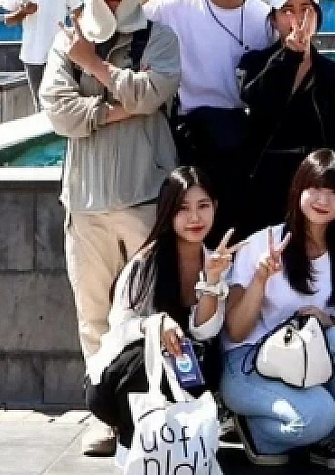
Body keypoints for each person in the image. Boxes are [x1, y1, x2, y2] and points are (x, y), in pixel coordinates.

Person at [39, 0, 182, 456]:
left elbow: (154, 93)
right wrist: (115, 107)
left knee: (153, 309)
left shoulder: (158, 37)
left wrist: (93, 66)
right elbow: (58, 111)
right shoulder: (68, 39)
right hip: (86, 201)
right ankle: (103, 414)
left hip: (147, 197)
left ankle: (154, 408)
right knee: (94, 315)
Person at [221, 149, 335, 469]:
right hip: (248, 362)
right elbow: (235, 331)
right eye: (315, 188)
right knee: (318, 417)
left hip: (303, 364)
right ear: (298, 189)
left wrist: (326, 321)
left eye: (334, 191)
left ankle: (331, 440)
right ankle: (253, 426)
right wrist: (260, 279)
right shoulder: (263, 243)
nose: (323, 200)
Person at [85, 166, 241, 461]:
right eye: (183, 208)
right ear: (168, 212)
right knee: (147, 357)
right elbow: (119, 330)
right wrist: (154, 326)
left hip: (183, 378)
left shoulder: (217, 262)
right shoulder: (145, 264)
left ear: (215, 207)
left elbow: (205, 332)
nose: (194, 218)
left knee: (200, 357)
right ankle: (136, 446)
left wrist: (211, 281)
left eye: (203, 206)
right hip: (122, 382)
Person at [142, 0, 276, 244]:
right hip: (195, 136)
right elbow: (114, 23)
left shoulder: (265, 18)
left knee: (247, 232)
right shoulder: (172, 7)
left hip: (248, 139)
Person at [239, 0, 335, 236]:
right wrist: (289, 57)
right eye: (288, 10)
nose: (298, 18)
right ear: (274, 20)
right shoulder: (255, 63)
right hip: (266, 182)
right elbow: (257, 102)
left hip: (316, 181)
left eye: (306, 9)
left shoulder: (334, 73)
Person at [3, 0, 82, 109]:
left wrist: (75, 35)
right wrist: (23, 12)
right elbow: (8, 20)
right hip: (32, 55)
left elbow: (79, 12)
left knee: (61, 102)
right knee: (39, 104)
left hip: (59, 53)